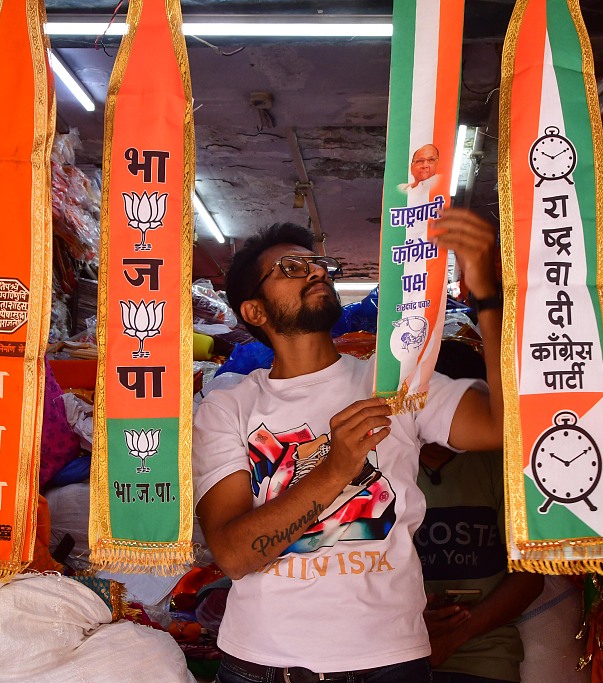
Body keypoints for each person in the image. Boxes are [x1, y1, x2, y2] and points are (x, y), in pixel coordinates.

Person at [193, 208, 504, 683]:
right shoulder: (230, 405)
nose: (316, 270)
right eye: (292, 268)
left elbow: (502, 426)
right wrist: (335, 469)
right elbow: (234, 554)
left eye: (318, 263)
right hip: (263, 662)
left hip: (390, 660)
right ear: (254, 312)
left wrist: (489, 295)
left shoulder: (392, 382)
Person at [416, 340, 543, 683]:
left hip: (483, 657)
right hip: (397, 653)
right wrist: (409, 627)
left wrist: (456, 635)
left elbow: (531, 576)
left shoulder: (499, 465)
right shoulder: (389, 463)